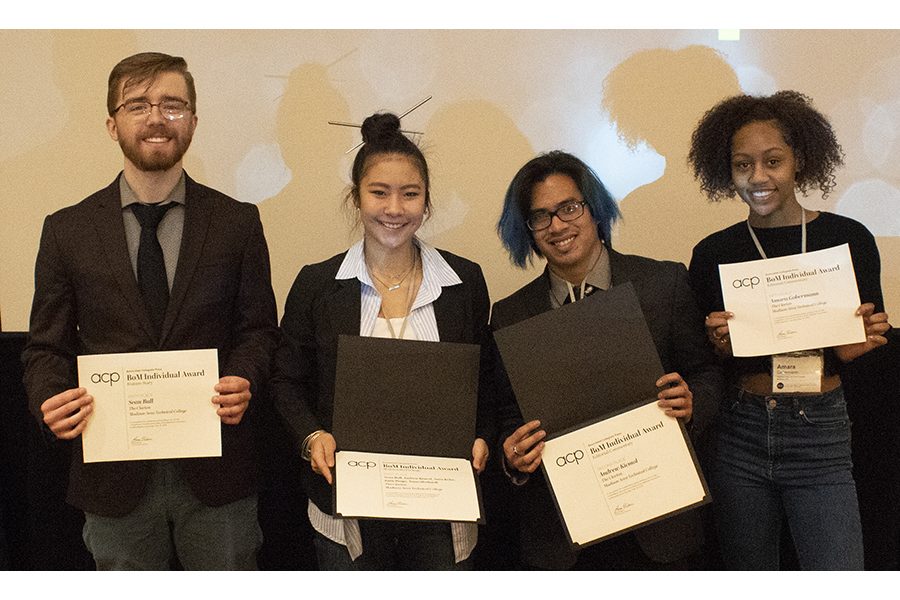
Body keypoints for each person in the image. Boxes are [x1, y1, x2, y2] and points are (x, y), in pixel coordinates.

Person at [21, 52, 279, 570]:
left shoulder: (237, 222)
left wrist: (243, 377)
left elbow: (259, 332)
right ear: (112, 123)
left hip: (217, 472)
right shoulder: (66, 229)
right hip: (112, 475)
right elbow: (46, 347)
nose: (156, 118)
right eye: (137, 105)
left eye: (172, 105)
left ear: (194, 122)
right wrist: (49, 399)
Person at [270, 112, 494, 570]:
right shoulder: (317, 285)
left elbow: (485, 380)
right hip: (347, 509)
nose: (395, 208)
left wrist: (483, 437)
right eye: (379, 192)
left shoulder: (463, 282)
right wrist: (312, 436)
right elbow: (286, 381)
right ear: (356, 198)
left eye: (410, 194)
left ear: (427, 203)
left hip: (441, 504)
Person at [687, 90, 892, 570]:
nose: (758, 177)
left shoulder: (849, 238)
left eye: (772, 161)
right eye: (742, 165)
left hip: (820, 429)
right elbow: (705, 362)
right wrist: (716, 346)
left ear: (800, 160)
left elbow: (862, 340)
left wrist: (860, 346)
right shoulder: (714, 252)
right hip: (741, 430)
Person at [492, 150, 722, 569]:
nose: (557, 226)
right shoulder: (511, 314)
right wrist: (514, 458)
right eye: (540, 216)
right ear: (527, 230)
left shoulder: (663, 284)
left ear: (595, 209)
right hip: (563, 537)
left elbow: (707, 375)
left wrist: (693, 404)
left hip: (660, 527)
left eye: (569, 208)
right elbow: (510, 413)